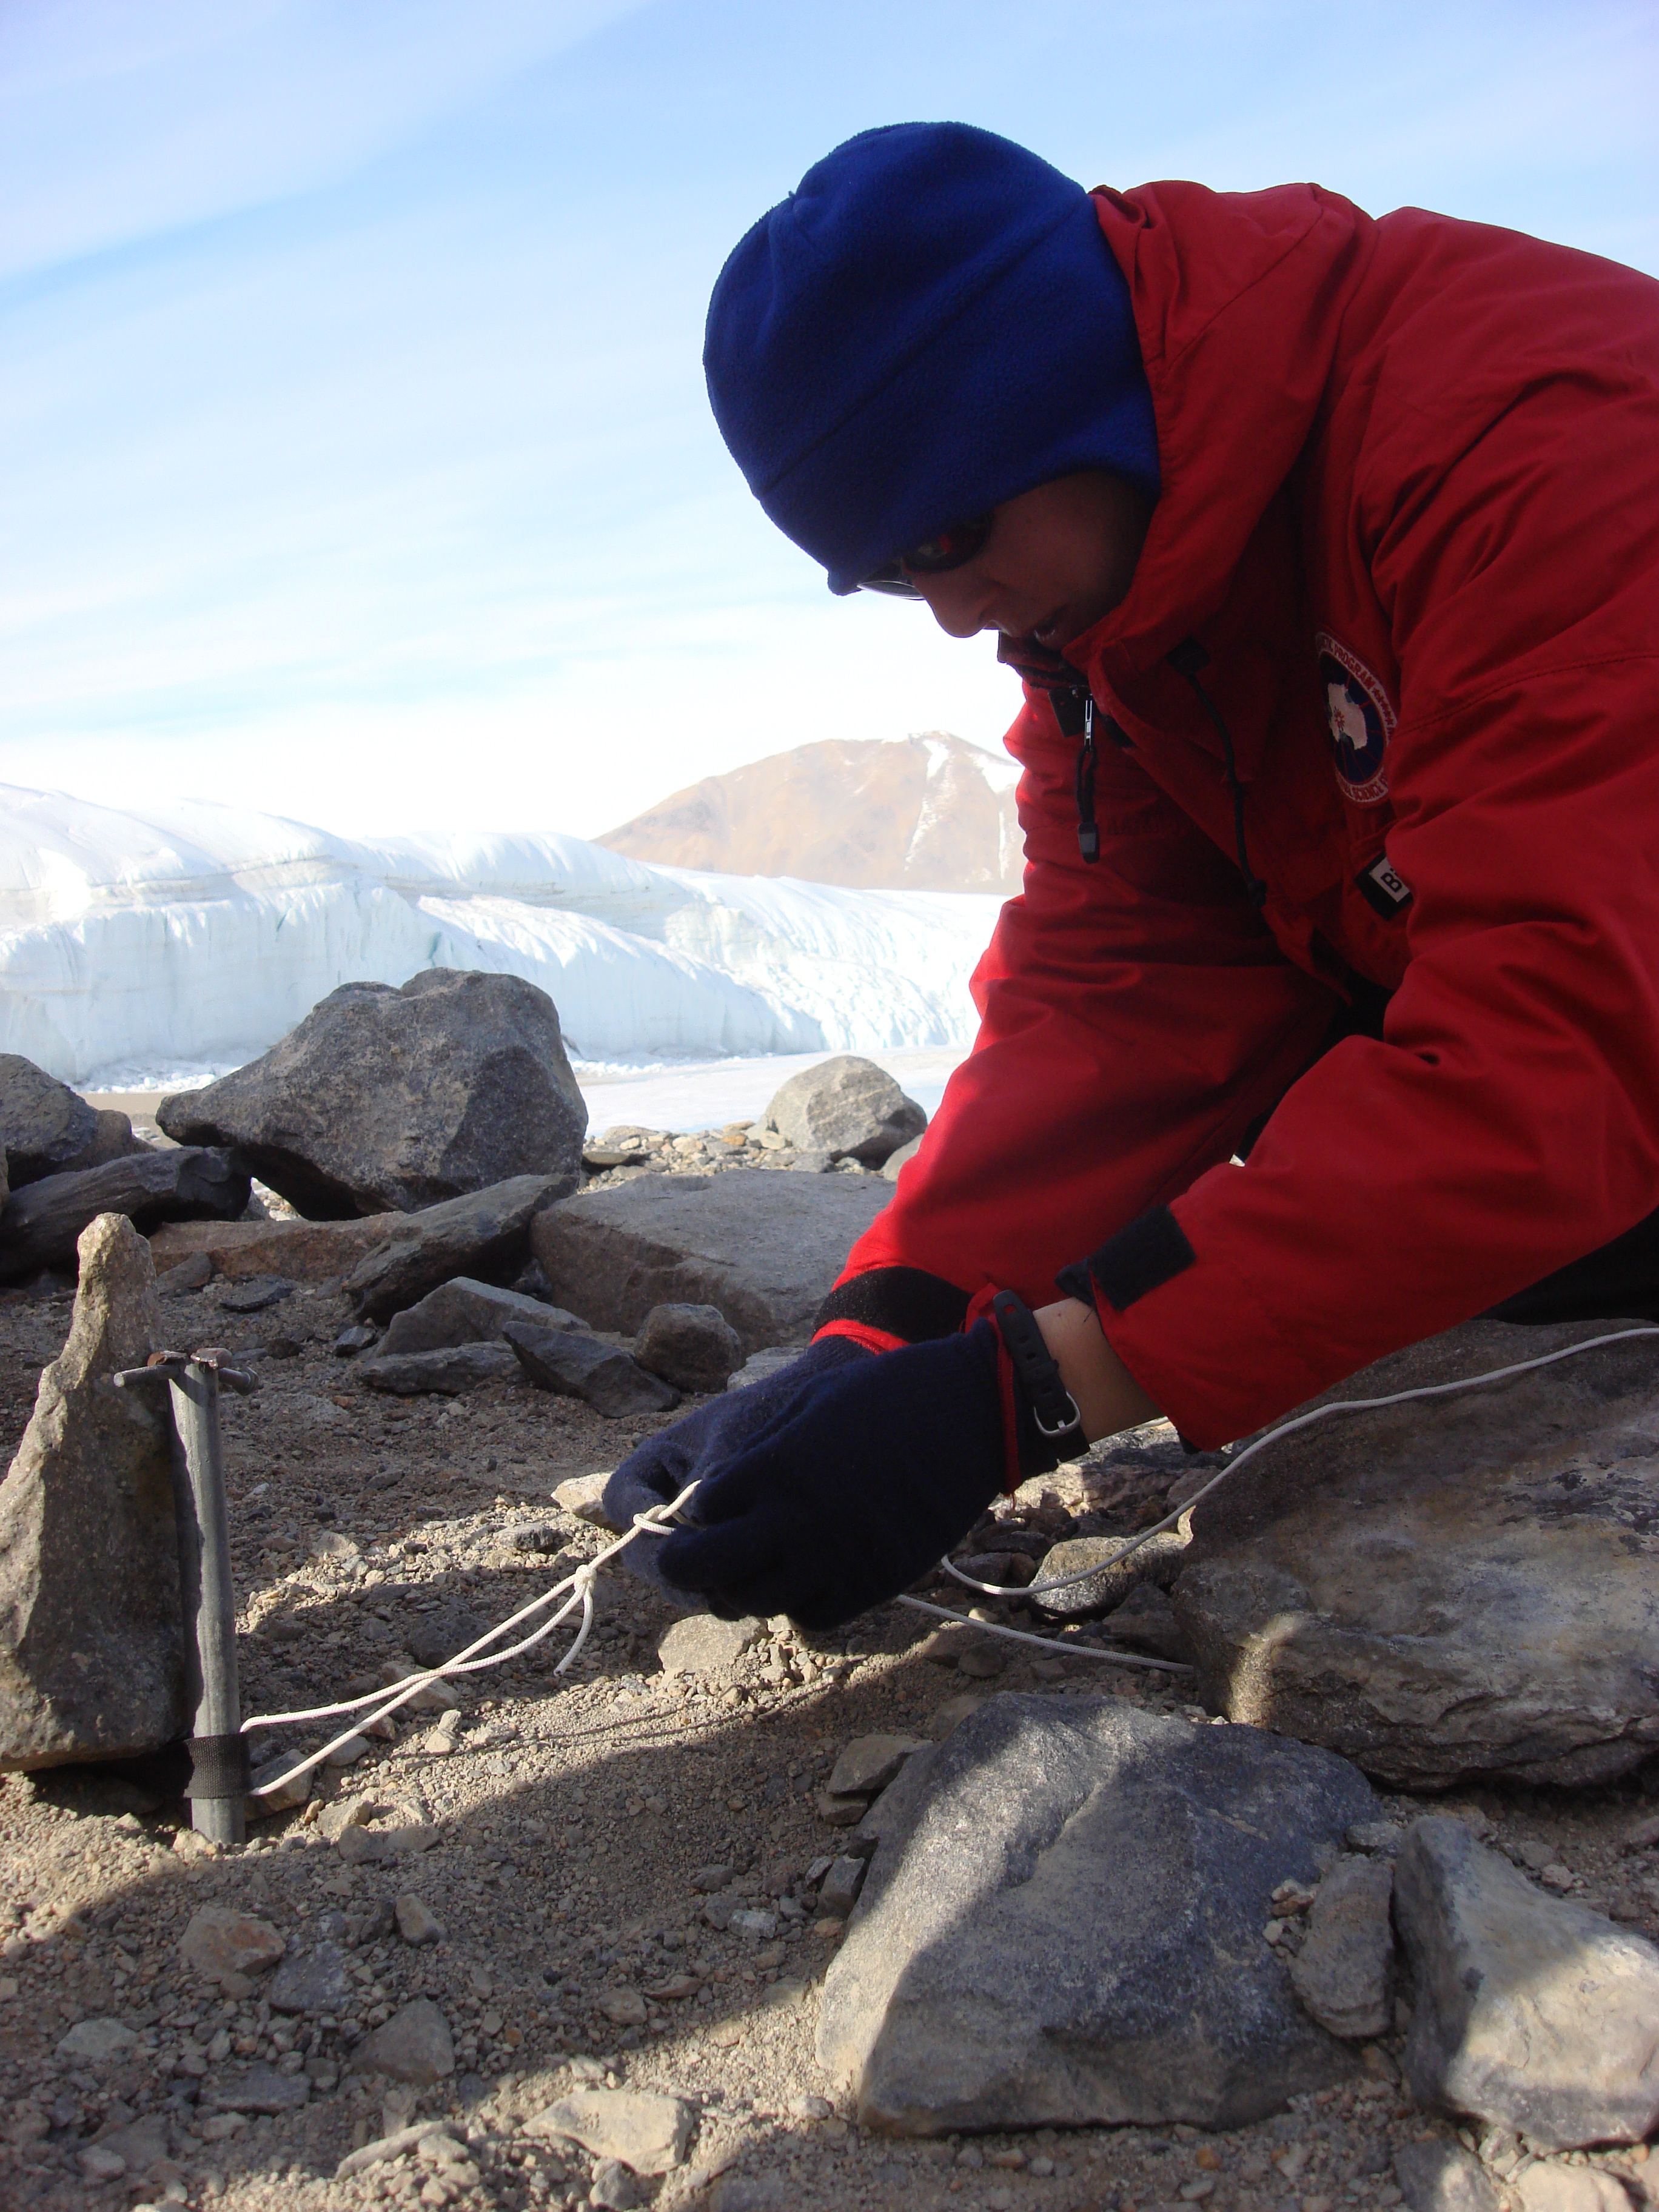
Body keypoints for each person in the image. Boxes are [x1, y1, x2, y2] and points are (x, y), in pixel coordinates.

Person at [605, 119, 1659, 1629]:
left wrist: (1031, 1395)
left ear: (1064, 391)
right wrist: (882, 1336)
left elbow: (1567, 1036)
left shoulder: (1532, 431)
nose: (950, 616)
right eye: (888, 574)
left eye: (949, 536)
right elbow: (1128, 987)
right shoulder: (1130, 594)